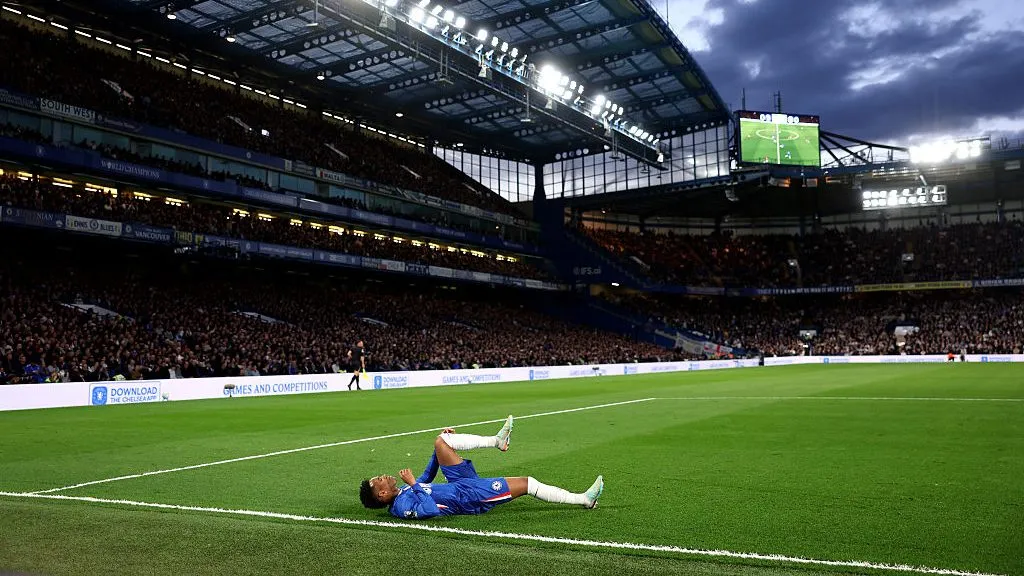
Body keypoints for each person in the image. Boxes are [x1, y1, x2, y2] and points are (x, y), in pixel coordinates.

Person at [359, 416, 604, 519]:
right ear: (381, 494)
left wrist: (436, 455)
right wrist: (413, 484)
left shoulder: (402, 492)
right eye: (377, 480)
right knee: (528, 483)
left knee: (441, 441)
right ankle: (583, 499)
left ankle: (497, 441)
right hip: (467, 497)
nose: (382, 476)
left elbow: (426, 478)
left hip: (458, 485)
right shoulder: (401, 507)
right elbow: (431, 510)